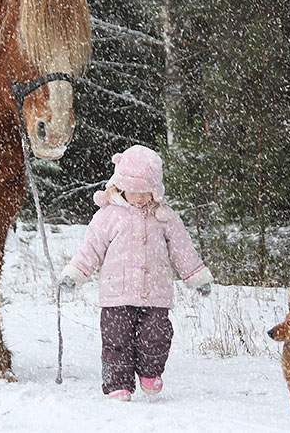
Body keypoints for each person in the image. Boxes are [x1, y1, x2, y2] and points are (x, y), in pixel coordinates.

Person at [59, 145, 213, 401]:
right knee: (116, 339)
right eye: (134, 191)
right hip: (116, 292)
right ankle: (117, 383)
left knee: (156, 336)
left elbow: (182, 250)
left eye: (146, 191)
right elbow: (91, 249)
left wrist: (196, 276)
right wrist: (75, 273)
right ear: (120, 186)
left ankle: (150, 372)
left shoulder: (165, 217)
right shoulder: (108, 216)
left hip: (156, 292)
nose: (140, 198)